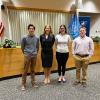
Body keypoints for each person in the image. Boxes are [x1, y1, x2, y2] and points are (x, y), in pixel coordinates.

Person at [21, 24, 39, 90]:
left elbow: (37, 47)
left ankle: (33, 82)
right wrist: (25, 53)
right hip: (27, 55)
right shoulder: (24, 37)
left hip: (34, 55)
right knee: (25, 70)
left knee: (33, 70)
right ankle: (23, 84)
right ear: (28, 29)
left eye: (32, 29)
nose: (31, 30)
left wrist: (35, 53)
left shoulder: (37, 38)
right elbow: (22, 47)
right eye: (30, 28)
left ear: (34, 30)